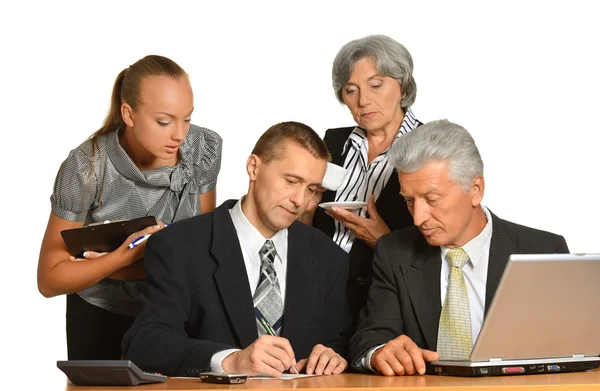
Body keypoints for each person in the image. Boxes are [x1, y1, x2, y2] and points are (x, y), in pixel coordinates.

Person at [122, 122, 352, 377]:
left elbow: (336, 343)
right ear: (254, 167)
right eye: (290, 181)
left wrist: (332, 357)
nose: (301, 201)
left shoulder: (330, 259)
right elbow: (146, 343)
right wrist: (230, 361)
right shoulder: (179, 246)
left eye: (311, 189)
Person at [347, 119, 569, 376]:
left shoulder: (543, 250)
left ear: (476, 190)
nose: (418, 218)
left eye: (432, 199)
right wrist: (379, 353)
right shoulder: (394, 251)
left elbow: (574, 343)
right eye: (409, 200)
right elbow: (370, 337)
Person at [37, 55, 223, 360]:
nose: (180, 134)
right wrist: (125, 257)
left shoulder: (203, 149)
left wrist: (124, 267)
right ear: (129, 114)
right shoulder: (86, 168)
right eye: (164, 121)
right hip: (100, 315)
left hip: (175, 311)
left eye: (187, 118)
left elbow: (201, 256)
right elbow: (49, 279)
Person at [308, 35, 420, 328]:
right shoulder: (333, 141)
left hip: (391, 298)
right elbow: (308, 217)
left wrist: (384, 242)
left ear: (403, 86)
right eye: (351, 90)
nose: (363, 100)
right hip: (320, 292)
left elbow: (449, 240)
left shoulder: (430, 145)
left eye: (376, 85)